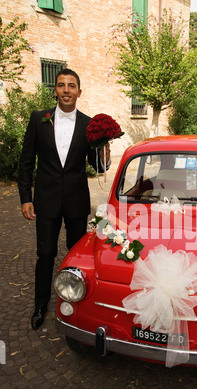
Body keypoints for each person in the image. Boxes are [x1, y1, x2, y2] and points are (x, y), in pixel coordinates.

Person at [18, 68, 110, 330]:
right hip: (45, 200)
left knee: (76, 253)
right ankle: (40, 305)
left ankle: (76, 302)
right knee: (45, 253)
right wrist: (26, 197)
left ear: (79, 92)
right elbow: (26, 162)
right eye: (61, 85)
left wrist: (104, 148)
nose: (66, 90)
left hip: (76, 201)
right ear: (55, 90)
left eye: (71, 86)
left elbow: (98, 167)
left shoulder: (90, 124)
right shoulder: (39, 119)